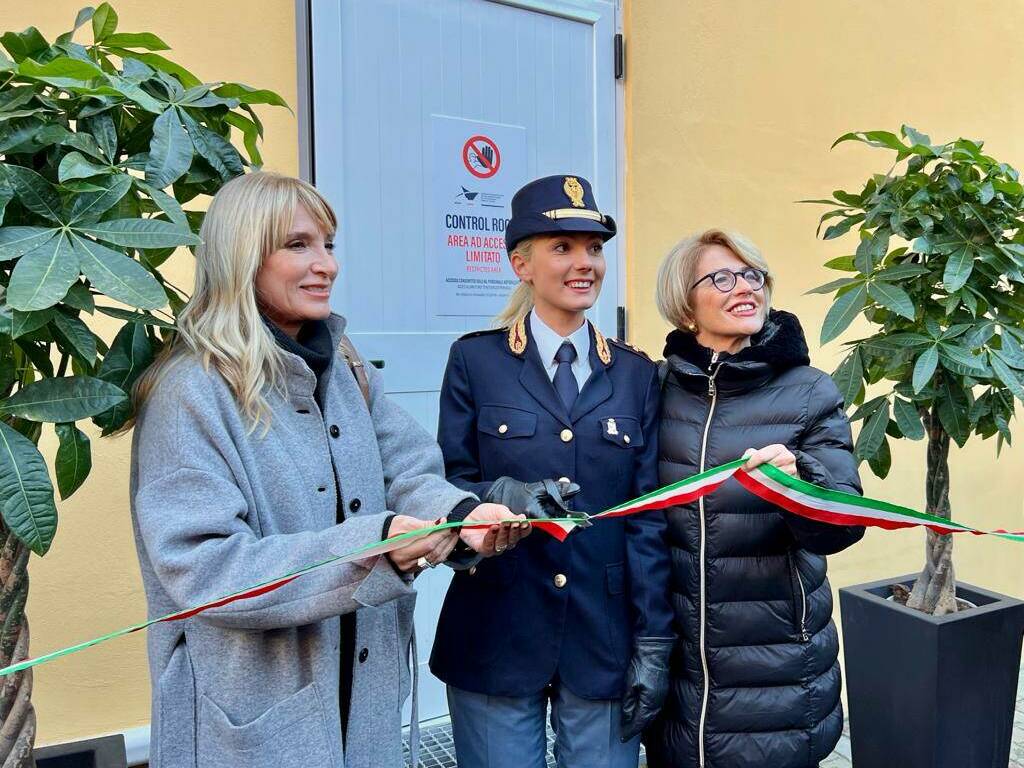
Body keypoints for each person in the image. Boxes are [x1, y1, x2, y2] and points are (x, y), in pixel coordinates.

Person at [128, 171, 528, 768]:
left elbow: (407, 468)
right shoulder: (190, 391)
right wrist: (373, 546)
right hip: (248, 725)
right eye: (297, 246)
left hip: (362, 703)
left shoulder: (344, 365)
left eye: (328, 244)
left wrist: (462, 516)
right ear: (242, 256)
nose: (326, 265)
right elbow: (203, 569)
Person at [430, 175, 675, 768]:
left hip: (603, 633)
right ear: (521, 263)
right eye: (561, 247)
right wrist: (493, 497)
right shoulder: (476, 361)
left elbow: (648, 517)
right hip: (498, 623)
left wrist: (654, 640)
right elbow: (445, 483)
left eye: (593, 248)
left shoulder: (637, 374)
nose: (584, 262)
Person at [645, 229, 865, 768]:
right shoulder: (656, 386)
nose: (746, 288)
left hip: (777, 669)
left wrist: (799, 481)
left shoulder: (809, 388)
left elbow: (842, 522)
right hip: (679, 666)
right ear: (684, 301)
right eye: (723, 277)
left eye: (753, 276)